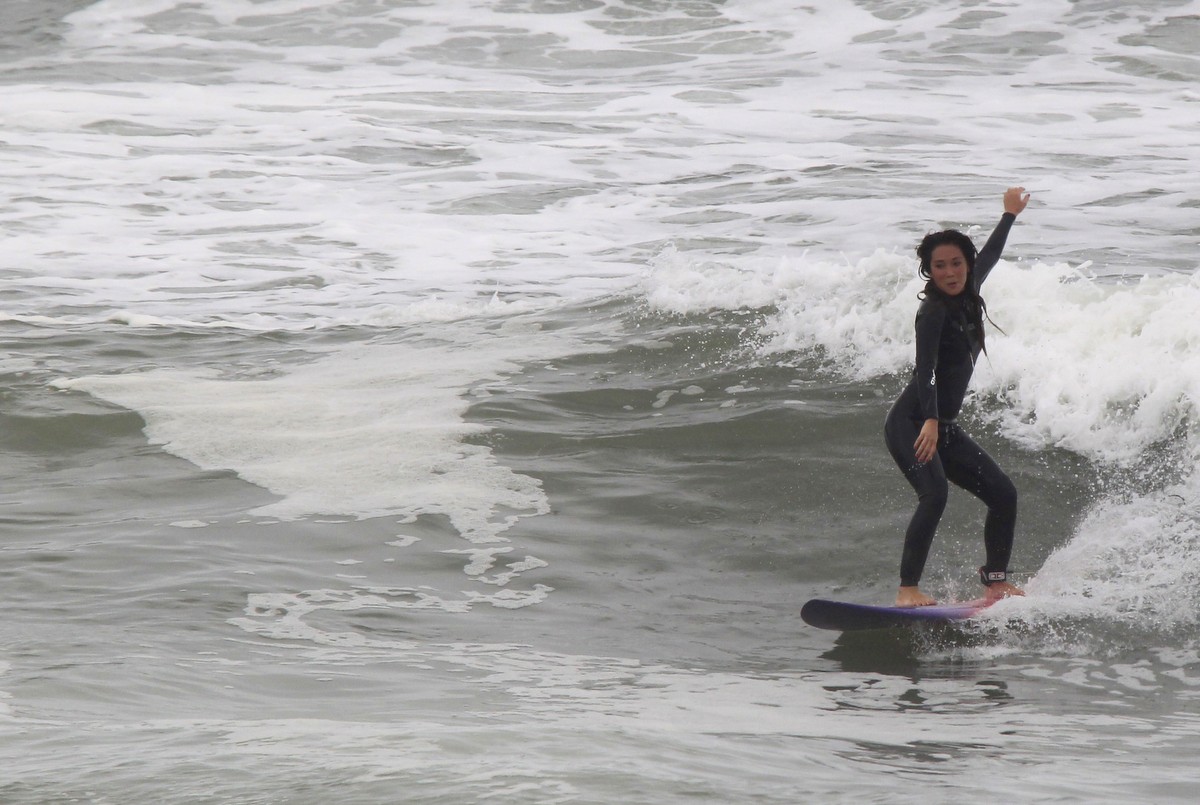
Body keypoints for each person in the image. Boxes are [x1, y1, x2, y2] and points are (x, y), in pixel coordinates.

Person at [883, 187, 1031, 608]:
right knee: (934, 495)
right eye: (939, 266)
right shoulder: (932, 312)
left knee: (1003, 495)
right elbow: (925, 369)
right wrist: (930, 420)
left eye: (956, 263)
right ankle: (907, 589)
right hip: (912, 424)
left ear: (967, 264)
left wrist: (1009, 215)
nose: (950, 273)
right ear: (929, 272)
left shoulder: (969, 290)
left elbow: (992, 254)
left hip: (942, 426)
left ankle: (996, 580)